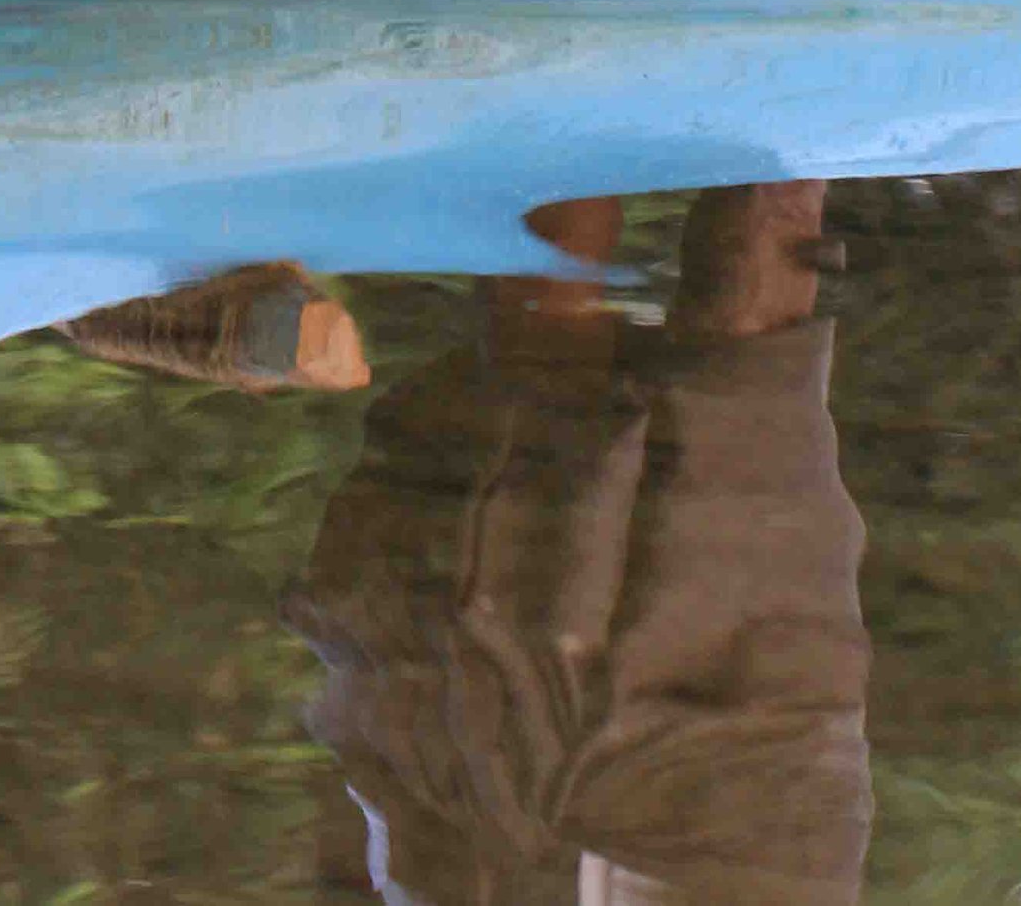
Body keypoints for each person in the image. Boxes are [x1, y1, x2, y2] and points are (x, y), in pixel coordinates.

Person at [285, 182, 869, 906]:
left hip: (627, 838)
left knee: (572, 366)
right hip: (733, 840)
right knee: (723, 367)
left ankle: (691, 97)